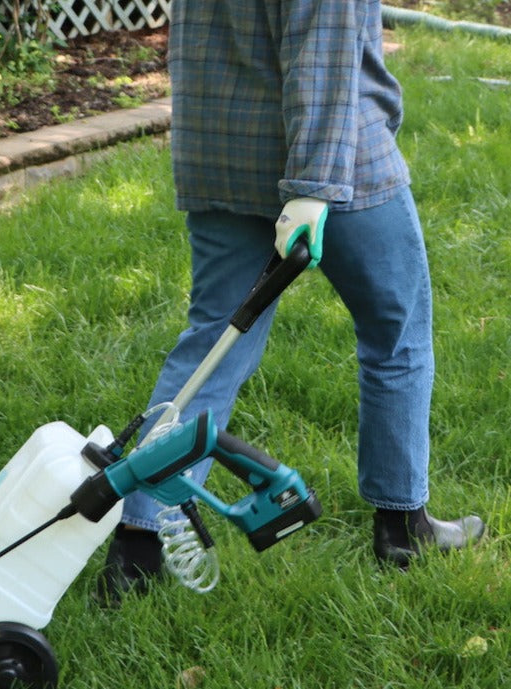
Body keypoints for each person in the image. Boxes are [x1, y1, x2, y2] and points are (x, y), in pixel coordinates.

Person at [97, 0, 484, 600]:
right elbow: (323, 54)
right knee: (396, 333)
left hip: (221, 152)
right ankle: (403, 526)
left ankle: (138, 548)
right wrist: (311, 189)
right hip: (337, 160)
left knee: (213, 345)